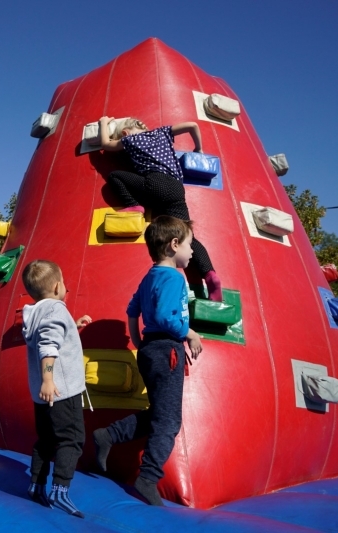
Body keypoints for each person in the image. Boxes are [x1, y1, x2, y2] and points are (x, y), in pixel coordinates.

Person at [92, 215, 203, 506]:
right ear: (174, 244)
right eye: (190, 246)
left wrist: (139, 341)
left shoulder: (149, 277)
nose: (192, 252)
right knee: (168, 422)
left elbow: (132, 310)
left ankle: (108, 435)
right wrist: (190, 333)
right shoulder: (173, 277)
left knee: (158, 414)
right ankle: (148, 477)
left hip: (150, 350)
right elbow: (168, 318)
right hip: (166, 350)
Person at [98, 116, 222, 301]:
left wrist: (103, 123)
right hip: (176, 189)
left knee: (116, 176)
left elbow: (106, 143)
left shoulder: (129, 139)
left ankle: (133, 205)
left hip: (154, 183)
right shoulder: (162, 132)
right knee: (187, 235)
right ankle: (210, 274)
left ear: (125, 132)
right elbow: (192, 125)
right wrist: (199, 148)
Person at [21, 259, 92, 518]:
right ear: (57, 286)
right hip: (61, 391)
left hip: (43, 394)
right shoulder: (57, 310)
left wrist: (74, 326)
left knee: (46, 440)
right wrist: (49, 380)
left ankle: (36, 484)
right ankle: (60, 491)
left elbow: (52, 337)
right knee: (71, 440)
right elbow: (49, 346)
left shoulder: (37, 312)